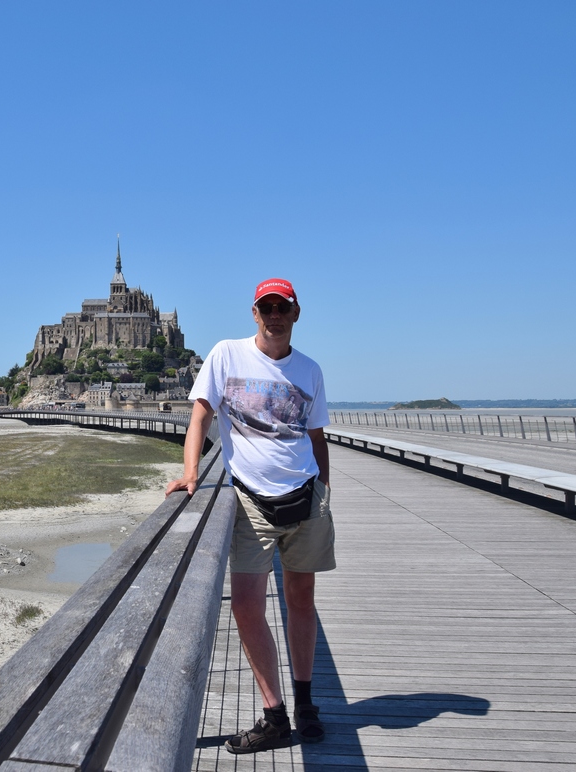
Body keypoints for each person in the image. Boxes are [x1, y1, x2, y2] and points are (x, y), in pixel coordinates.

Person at [165, 277, 333, 753]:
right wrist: (191, 473)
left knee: (301, 601)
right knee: (245, 606)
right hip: (250, 500)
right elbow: (200, 416)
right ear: (255, 314)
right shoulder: (226, 354)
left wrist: (325, 490)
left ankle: (306, 705)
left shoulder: (310, 370)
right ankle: (275, 715)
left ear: (295, 313)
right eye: (267, 307)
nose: (275, 315)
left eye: (283, 307)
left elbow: (317, 438)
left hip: (305, 497)